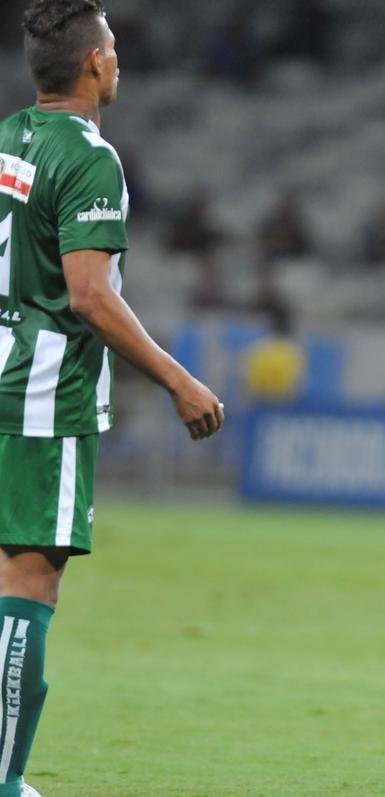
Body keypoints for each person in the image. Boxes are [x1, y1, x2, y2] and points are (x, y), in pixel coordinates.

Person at [0, 4, 224, 795]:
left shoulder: (6, 138)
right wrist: (178, 379)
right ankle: (2, 777)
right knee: (30, 582)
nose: (119, 58)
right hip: (41, 395)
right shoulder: (89, 158)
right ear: (94, 64)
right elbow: (91, 297)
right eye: (115, 46)